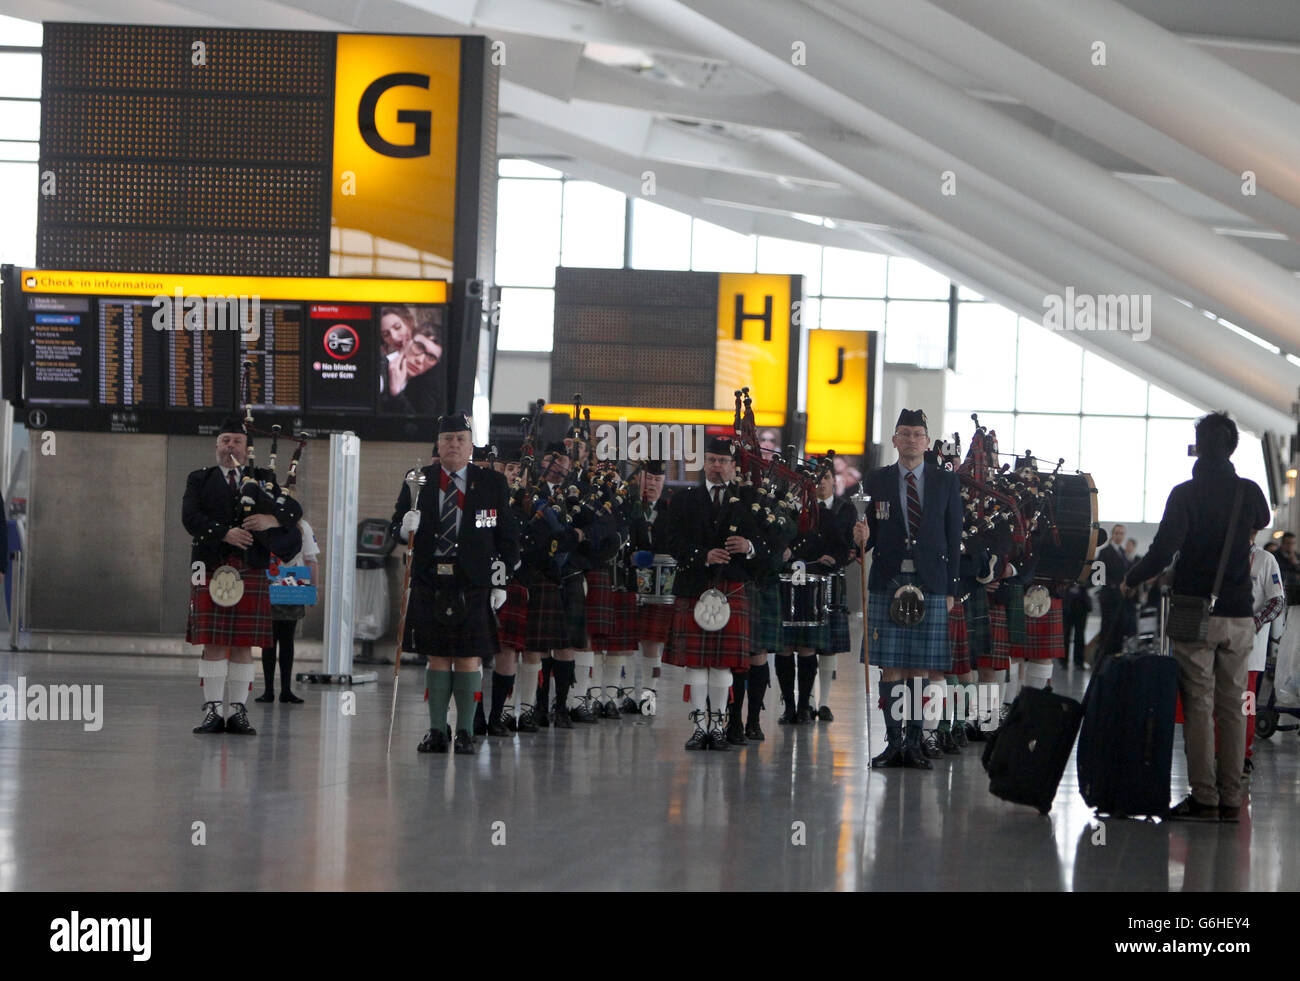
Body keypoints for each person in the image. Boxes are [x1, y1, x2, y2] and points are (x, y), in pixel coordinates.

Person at [1122, 412, 1269, 821]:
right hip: (1239, 614)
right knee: (1232, 705)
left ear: (1198, 447)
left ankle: (1204, 796)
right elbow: (1262, 521)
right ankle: (1231, 797)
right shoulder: (1249, 492)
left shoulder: (1185, 494)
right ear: (1234, 447)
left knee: (1199, 704)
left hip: (1194, 610)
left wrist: (1132, 578)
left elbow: (1164, 549)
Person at [390, 412, 520, 755]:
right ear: (438, 443)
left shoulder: (491, 483)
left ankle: (464, 731)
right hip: (430, 582)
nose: (454, 445)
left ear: (470, 444)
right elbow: (395, 531)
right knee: (436, 658)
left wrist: (500, 582)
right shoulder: (418, 479)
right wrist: (406, 526)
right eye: (447, 439)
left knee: (468, 659)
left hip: (473, 583)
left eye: (461, 438)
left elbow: (507, 538)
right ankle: (436, 729)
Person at [852, 409, 962, 770]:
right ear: (895, 439)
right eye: (905, 434)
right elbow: (860, 535)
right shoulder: (876, 479)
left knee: (919, 668)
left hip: (931, 581)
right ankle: (894, 743)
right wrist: (860, 539)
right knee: (892, 668)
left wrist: (951, 591)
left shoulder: (946, 482)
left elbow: (954, 536)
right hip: (888, 579)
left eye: (918, 434)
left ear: (927, 442)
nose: (911, 440)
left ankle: (914, 744)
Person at [183, 416, 303, 736]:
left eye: (236, 440)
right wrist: (224, 534)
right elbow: (190, 518)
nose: (230, 446)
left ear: (246, 447)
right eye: (225, 441)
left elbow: (291, 513)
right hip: (211, 565)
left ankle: (237, 711)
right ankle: (213, 711)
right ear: (216, 446)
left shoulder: (262, 477)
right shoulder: (200, 479)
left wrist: (268, 519)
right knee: (213, 641)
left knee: (243, 643)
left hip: (251, 566)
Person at [662, 436, 767, 751]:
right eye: (711, 460)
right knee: (697, 665)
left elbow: (770, 542)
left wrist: (749, 547)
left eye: (722, 461)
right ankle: (699, 728)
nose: (716, 466)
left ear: (734, 466)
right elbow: (669, 538)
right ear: (703, 463)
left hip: (732, 587)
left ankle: (718, 727)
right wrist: (701, 554)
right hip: (695, 586)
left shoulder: (750, 500)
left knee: (721, 665)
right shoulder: (684, 499)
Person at [255, 517, 319, 704]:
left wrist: (313, 589)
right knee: (271, 640)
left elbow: (311, 559)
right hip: (278, 582)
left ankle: (284, 689)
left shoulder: (302, 526)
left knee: (284, 639)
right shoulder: (265, 523)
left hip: (291, 583)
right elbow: (311, 560)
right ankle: (271, 689)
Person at [1244, 527, 1285, 777]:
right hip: (1219, 644)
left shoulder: (1265, 560)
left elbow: (1277, 600)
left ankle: (1243, 755)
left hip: (1250, 651)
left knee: (1245, 706)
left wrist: (1255, 623)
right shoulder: (1219, 557)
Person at [380, 311, 445, 417]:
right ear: (407, 340)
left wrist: (396, 393)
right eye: (419, 347)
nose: (420, 359)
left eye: (431, 357)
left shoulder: (424, 387)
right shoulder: (381, 369)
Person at [1095, 524, 1128, 654]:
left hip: (1120, 597)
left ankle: (1116, 657)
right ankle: (1104, 658)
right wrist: (1114, 585)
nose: (1119, 536)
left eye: (1121, 533)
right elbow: (1099, 576)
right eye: (1117, 533)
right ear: (1112, 535)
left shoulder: (1123, 553)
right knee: (1108, 628)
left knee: (1119, 629)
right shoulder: (1105, 552)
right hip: (1109, 597)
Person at [1063, 580, 1091, 669]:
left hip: (1081, 604)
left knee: (1079, 635)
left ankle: (1078, 661)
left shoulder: (1086, 567)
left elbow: (1092, 581)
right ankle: (1063, 661)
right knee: (1065, 634)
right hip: (1068, 604)